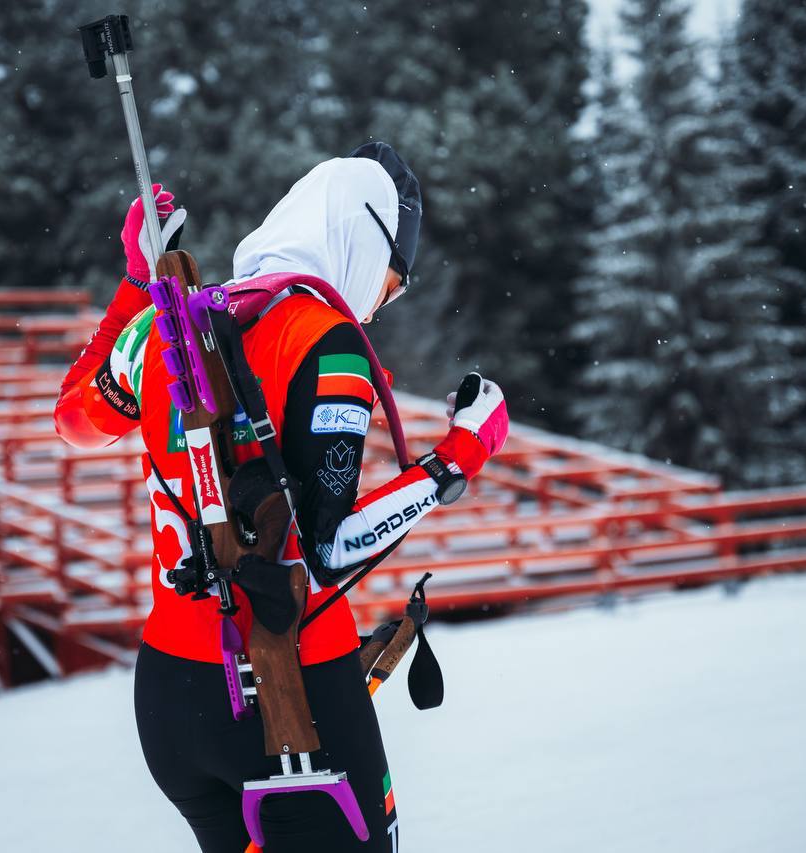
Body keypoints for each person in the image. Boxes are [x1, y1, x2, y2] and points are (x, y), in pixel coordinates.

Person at [54, 142, 508, 852]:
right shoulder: (327, 341)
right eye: (394, 275)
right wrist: (458, 457)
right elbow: (330, 551)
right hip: (288, 702)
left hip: (172, 695)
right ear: (357, 239)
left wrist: (138, 284)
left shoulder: (169, 322)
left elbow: (75, 421)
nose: (387, 296)